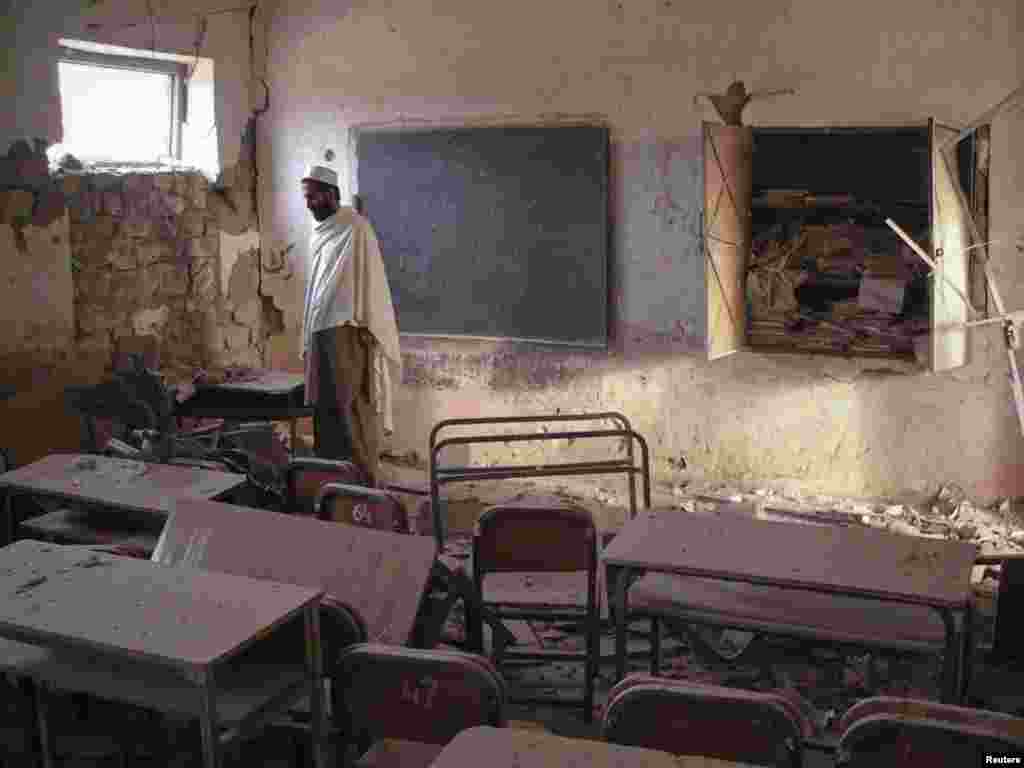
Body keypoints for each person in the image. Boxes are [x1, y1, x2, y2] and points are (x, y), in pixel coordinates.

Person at [300, 165, 401, 487]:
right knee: (323, 409)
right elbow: (317, 286)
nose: (308, 204)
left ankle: (362, 483)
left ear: (330, 194)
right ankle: (329, 479)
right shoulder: (320, 233)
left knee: (349, 409)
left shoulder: (356, 228)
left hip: (348, 332)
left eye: (313, 197)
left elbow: (371, 285)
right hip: (321, 330)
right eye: (306, 197)